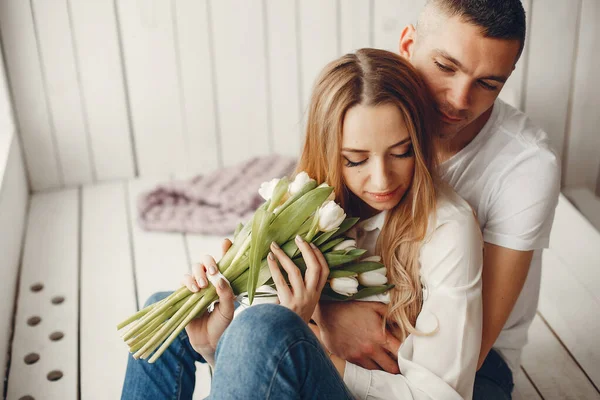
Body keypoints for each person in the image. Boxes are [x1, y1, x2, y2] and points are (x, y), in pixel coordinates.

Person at [121, 49, 484, 399]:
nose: (382, 180)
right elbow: (253, 369)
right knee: (165, 313)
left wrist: (307, 341)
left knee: (263, 327)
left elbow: (442, 395)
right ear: (329, 152)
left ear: (419, 143)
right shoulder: (304, 208)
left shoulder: (448, 228)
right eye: (355, 160)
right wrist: (213, 345)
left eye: (401, 152)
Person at [314, 1, 561, 399]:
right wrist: (327, 316)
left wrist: (329, 329)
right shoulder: (373, 107)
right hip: (353, 322)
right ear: (408, 44)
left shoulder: (527, 166)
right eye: (446, 67)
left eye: (488, 84)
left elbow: (472, 348)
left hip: (470, 365)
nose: (460, 100)